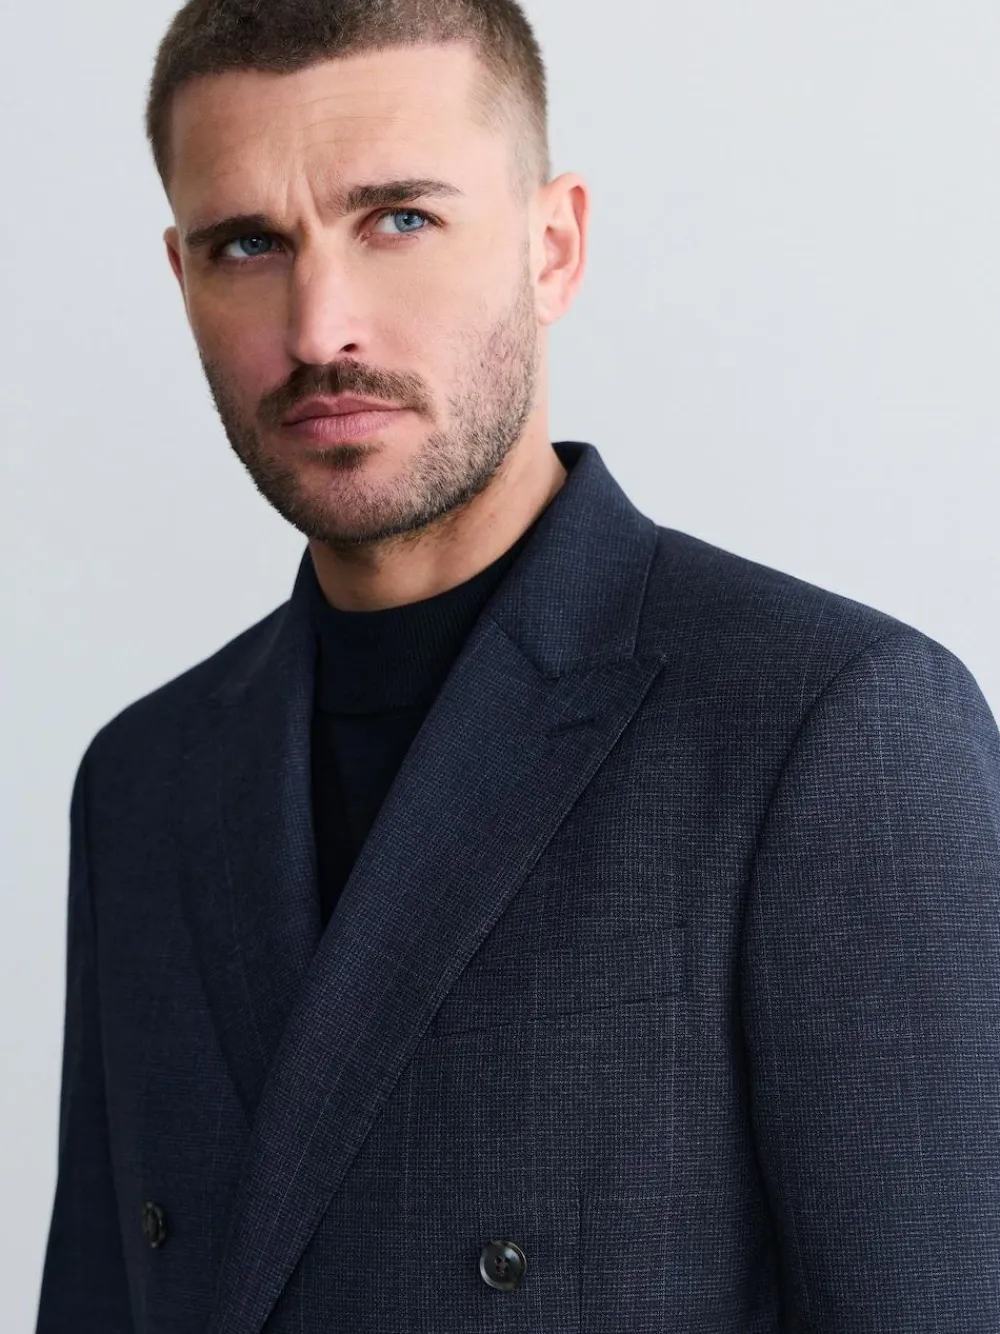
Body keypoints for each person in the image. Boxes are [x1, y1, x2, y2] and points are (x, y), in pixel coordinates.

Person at [36, 1, 1000, 1330]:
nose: (321, 329)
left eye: (400, 220)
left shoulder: (832, 730)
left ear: (554, 250)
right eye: (248, 243)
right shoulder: (143, 779)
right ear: (181, 276)